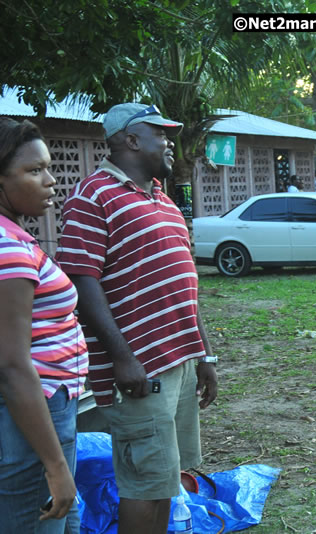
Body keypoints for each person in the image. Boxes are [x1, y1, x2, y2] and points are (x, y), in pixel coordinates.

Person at [55, 104, 218, 534]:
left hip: (179, 362)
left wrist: (204, 355)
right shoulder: (93, 195)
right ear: (130, 140)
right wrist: (123, 358)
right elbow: (82, 281)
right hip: (141, 370)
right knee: (144, 485)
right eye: (159, 134)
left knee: (165, 481)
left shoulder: (162, 199)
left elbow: (184, 284)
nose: (168, 143)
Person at [0, 118, 89, 533]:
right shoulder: (8, 248)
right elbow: (12, 365)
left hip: (45, 410)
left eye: (48, 168)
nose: (51, 181)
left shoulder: (14, 237)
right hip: (34, 420)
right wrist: (54, 465)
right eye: (34, 171)